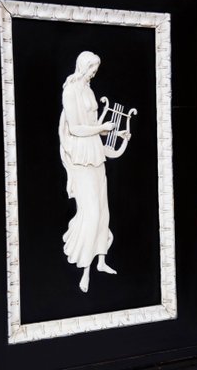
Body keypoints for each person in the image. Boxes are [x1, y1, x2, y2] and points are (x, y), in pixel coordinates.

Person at [59, 51, 122, 293]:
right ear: (82, 67)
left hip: (95, 153)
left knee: (103, 211)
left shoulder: (88, 89)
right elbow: (75, 128)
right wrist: (100, 129)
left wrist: (110, 132)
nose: (93, 73)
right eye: (91, 69)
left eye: (96, 69)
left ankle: (102, 260)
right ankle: (85, 269)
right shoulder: (70, 91)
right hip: (81, 157)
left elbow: (93, 127)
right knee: (91, 213)